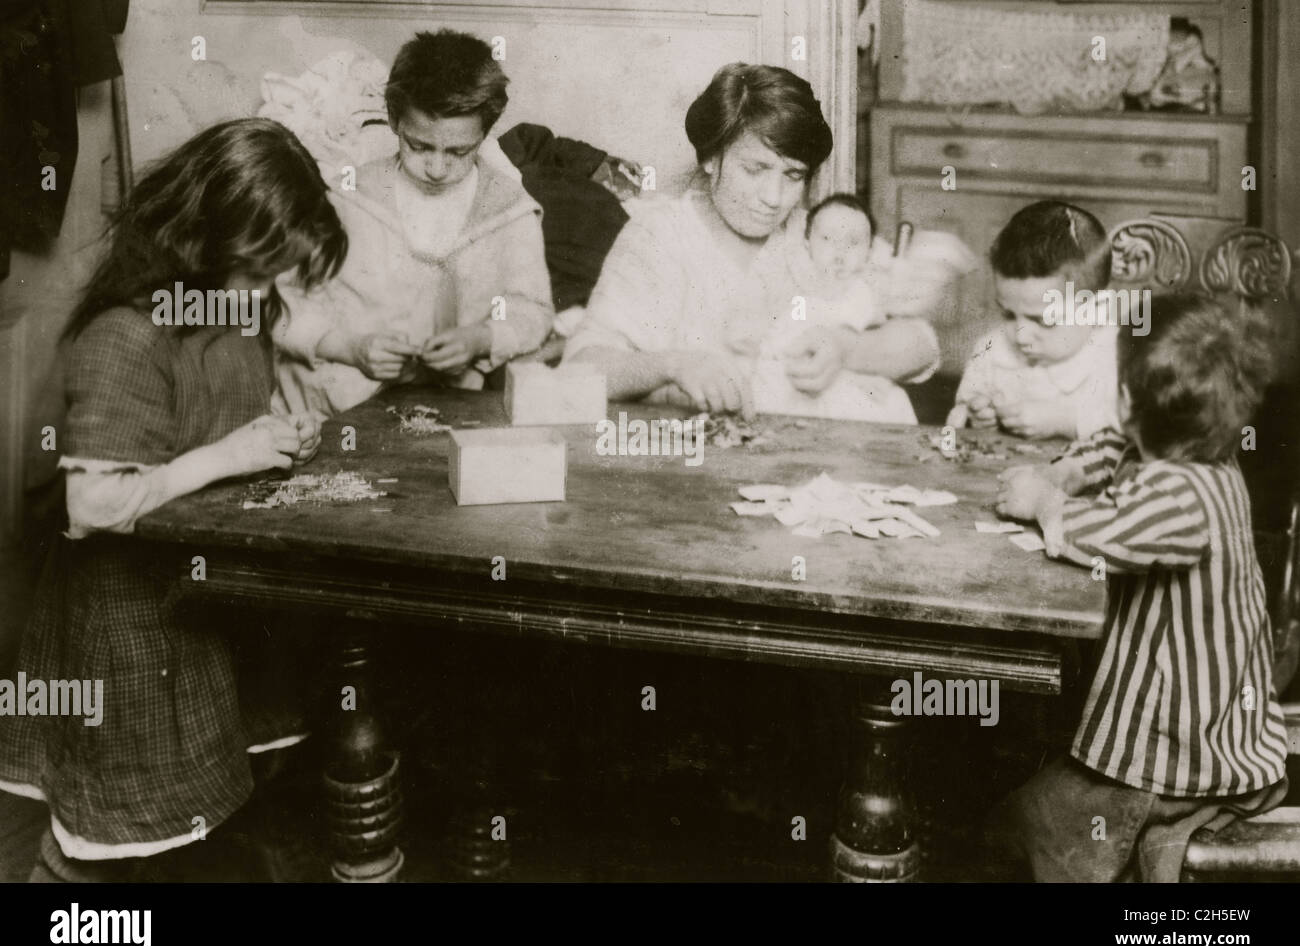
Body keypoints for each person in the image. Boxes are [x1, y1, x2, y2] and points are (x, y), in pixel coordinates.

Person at [0, 117, 345, 880]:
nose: (263, 297)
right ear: (202, 242)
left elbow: (237, 366)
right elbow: (90, 505)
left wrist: (287, 410)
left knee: (198, 809)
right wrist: (229, 454)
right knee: (106, 822)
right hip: (122, 622)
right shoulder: (125, 336)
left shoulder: (217, 302)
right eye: (259, 273)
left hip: (196, 602)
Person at [992, 293, 1290, 882]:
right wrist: (1069, 469)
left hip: (1178, 746)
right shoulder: (1205, 451)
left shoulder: (1178, 499)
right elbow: (1118, 447)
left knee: (1041, 821)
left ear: (1127, 400)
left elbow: (1099, 532)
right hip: (1206, 716)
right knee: (1030, 798)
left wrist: (1046, 498)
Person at [563, 62, 938, 415]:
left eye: (793, 176)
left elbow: (922, 346)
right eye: (755, 169)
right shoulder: (663, 235)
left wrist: (846, 347)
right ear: (711, 159)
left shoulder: (815, 235)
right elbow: (582, 366)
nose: (774, 198)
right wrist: (672, 366)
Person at [273, 29, 553, 418]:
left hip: (443, 410)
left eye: (459, 151)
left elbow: (533, 311)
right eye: (419, 146)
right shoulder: (346, 197)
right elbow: (283, 305)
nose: (437, 169)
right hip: (336, 409)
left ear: (485, 133)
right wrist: (347, 347)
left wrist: (482, 338)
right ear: (392, 120)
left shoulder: (509, 210)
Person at [947, 200, 1119, 439]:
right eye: (1008, 315)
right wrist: (975, 419)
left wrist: (1067, 422)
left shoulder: (1121, 357)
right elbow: (959, 416)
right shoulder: (991, 351)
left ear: (1098, 308)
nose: (1021, 336)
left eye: (1044, 320)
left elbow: (1147, 433)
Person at [745, 192, 917, 422]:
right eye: (827, 239)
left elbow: (878, 333)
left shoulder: (864, 294)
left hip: (855, 387)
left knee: (891, 404)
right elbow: (783, 334)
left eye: (853, 243)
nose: (839, 253)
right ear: (807, 245)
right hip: (804, 379)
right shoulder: (801, 294)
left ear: (869, 252)